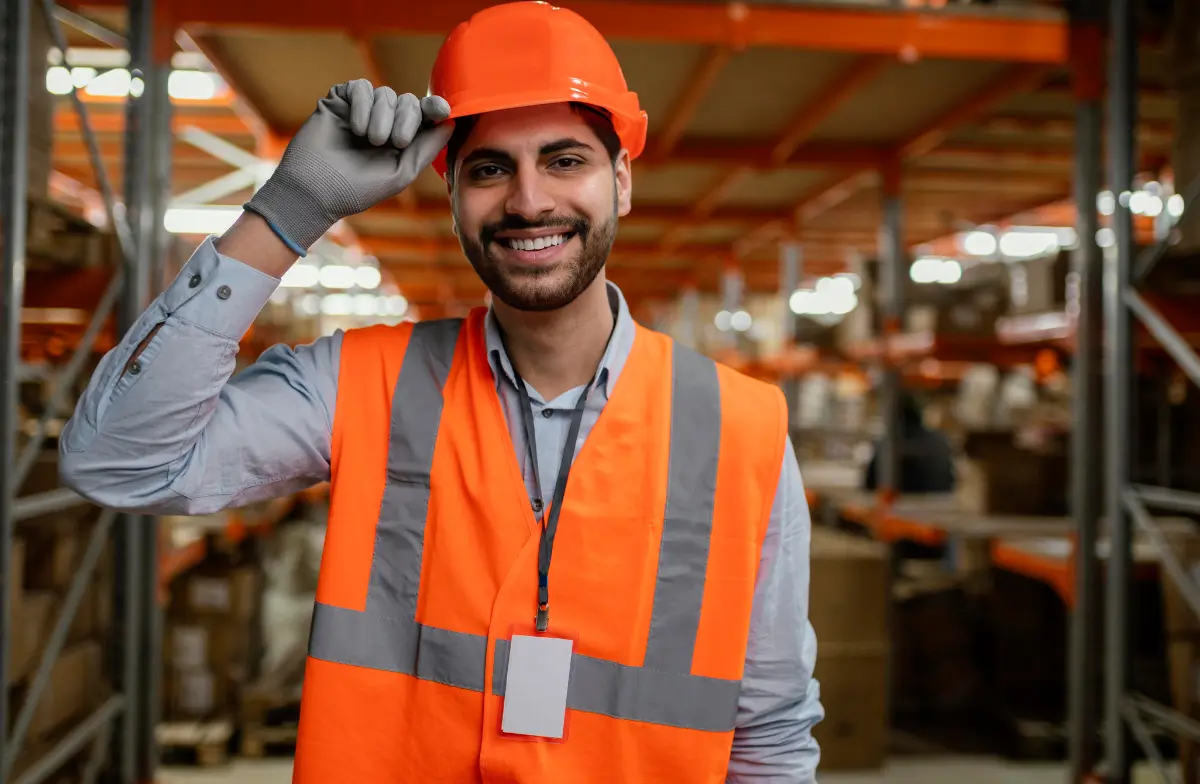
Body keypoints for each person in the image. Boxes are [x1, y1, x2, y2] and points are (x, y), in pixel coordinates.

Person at [60, 2, 822, 781]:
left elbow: (769, 732)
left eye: (565, 160)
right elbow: (117, 461)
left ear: (620, 181)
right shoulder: (358, 384)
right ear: (451, 193)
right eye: (490, 169)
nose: (528, 201)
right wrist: (288, 211)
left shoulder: (741, 429)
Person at [863, 393, 956, 493]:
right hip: (940, 504)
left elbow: (870, 485)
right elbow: (950, 481)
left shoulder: (887, 445)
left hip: (897, 505)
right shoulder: (940, 441)